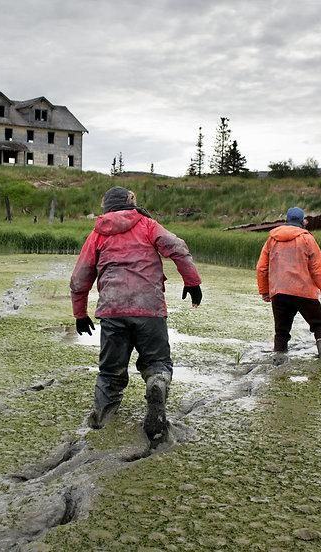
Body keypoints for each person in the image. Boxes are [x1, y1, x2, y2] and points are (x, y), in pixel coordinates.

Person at [70, 186, 202, 444]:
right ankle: (157, 382)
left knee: (110, 373)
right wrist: (192, 281)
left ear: (106, 206)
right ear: (131, 203)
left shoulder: (97, 234)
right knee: (157, 362)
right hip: (149, 309)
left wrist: (80, 313)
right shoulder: (148, 225)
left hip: (112, 310)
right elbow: (177, 247)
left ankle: (102, 419)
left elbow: (80, 277)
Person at [256, 207, 321, 364]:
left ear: (287, 220)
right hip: (304, 292)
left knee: (281, 331)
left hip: (279, 293)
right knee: (319, 325)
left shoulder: (272, 240)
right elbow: (318, 269)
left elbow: (261, 268)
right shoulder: (307, 239)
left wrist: (265, 291)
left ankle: (278, 362)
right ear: (302, 222)